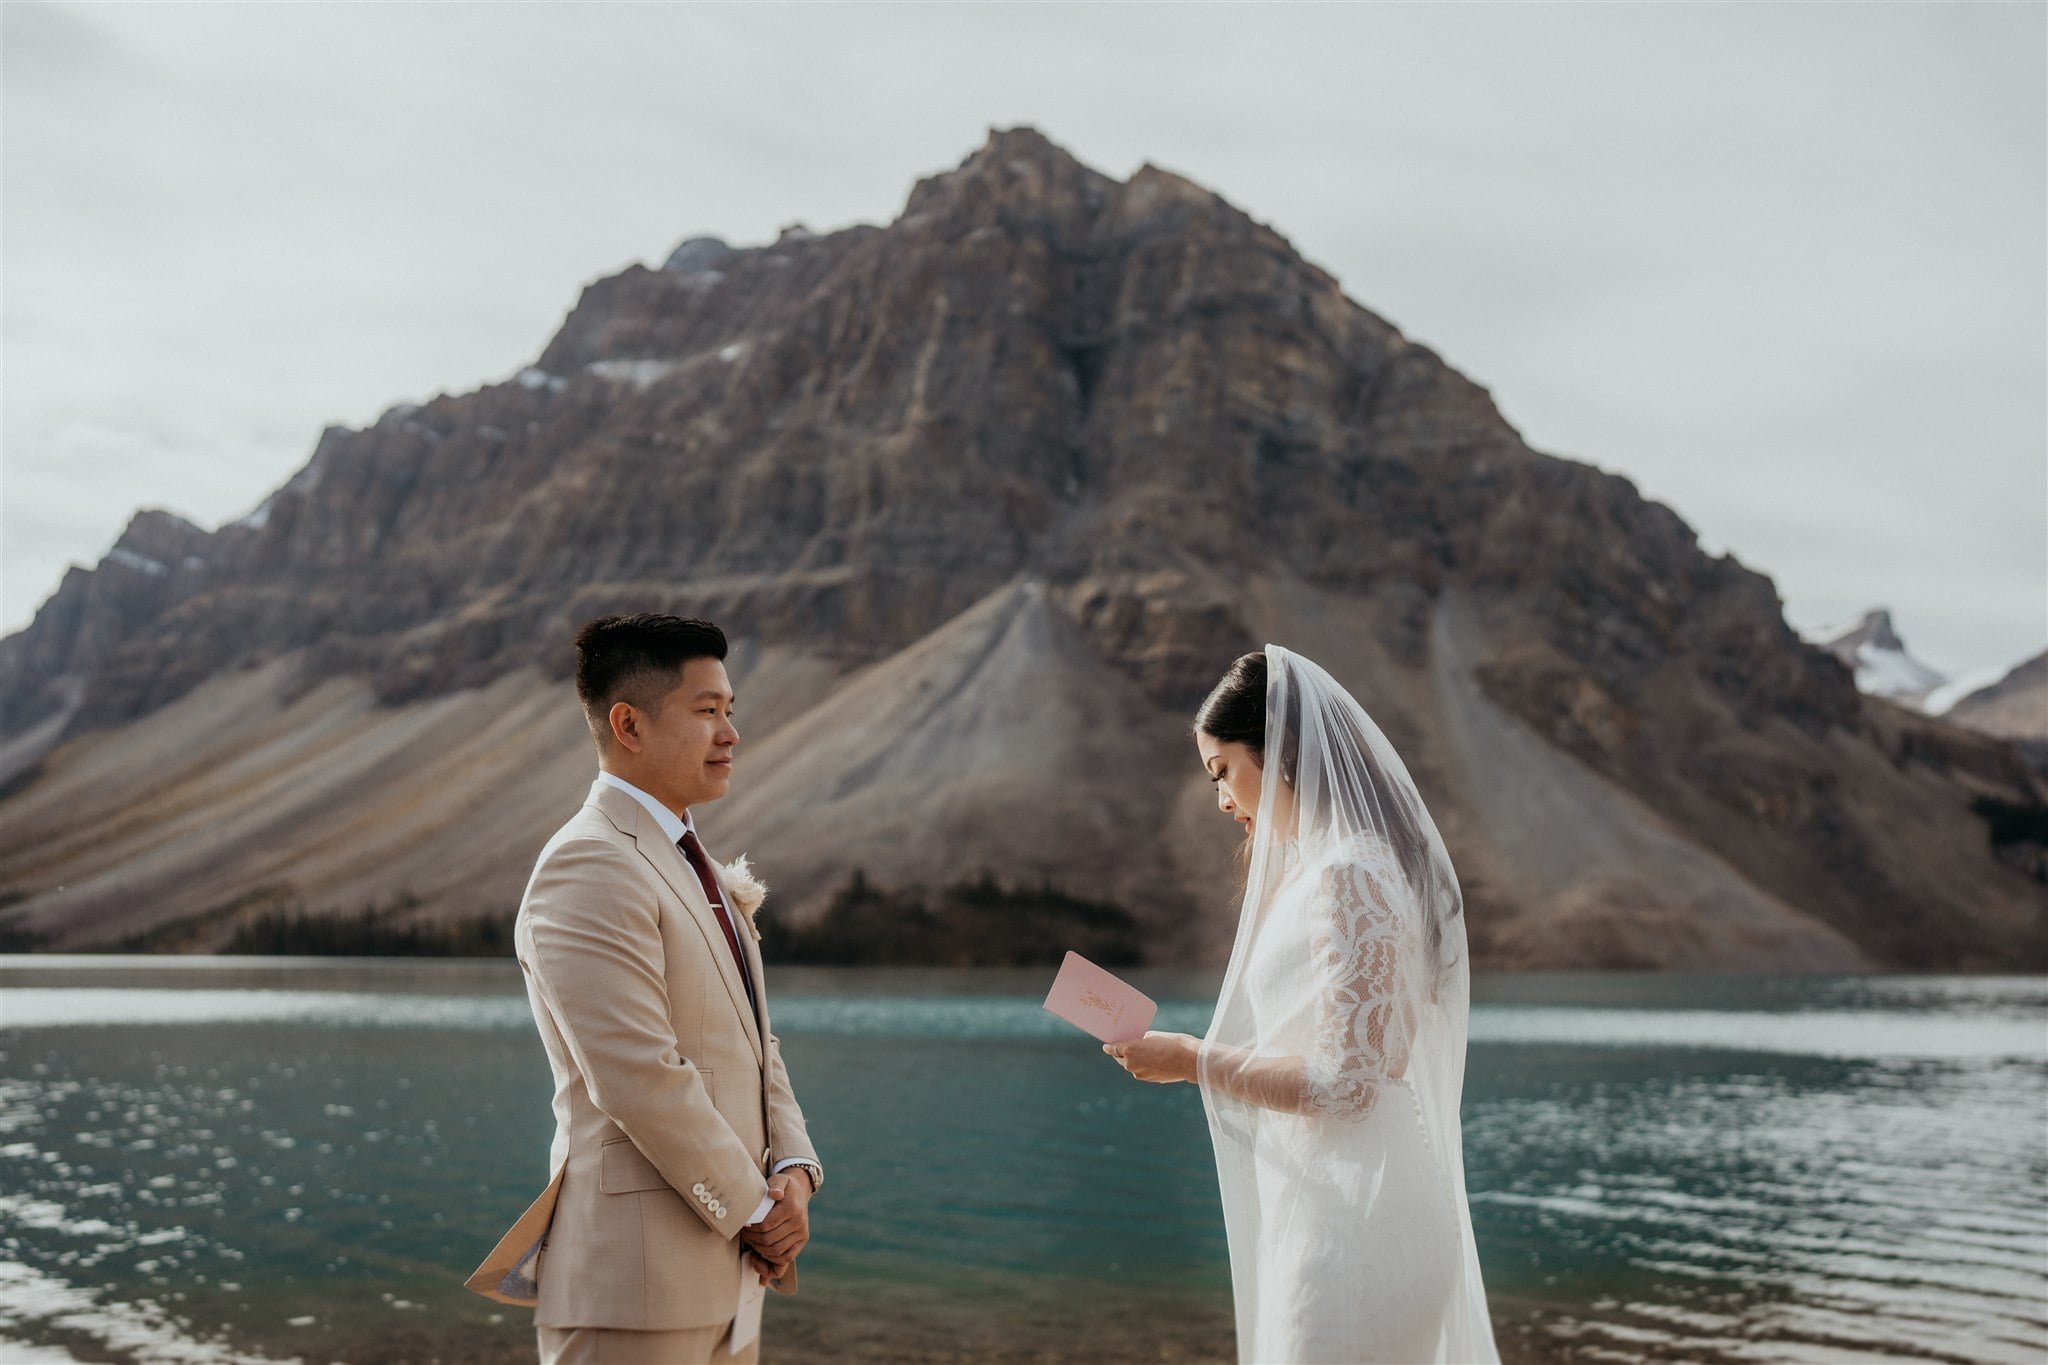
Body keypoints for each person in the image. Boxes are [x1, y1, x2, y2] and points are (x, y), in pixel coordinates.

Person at [1105, 646, 1499, 1364]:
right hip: (1337, 1204)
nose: (1221, 800)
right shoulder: (1342, 866)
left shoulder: (1350, 874)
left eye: (1223, 771)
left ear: (1281, 750)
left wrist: (1192, 1058)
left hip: (1356, 1224)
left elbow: (1350, 1082)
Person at [465, 614, 822, 1364]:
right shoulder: (589, 863)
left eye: (730, 710)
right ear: (628, 723)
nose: (730, 733)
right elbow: (637, 1075)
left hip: (728, 1282)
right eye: (706, 711)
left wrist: (793, 1170)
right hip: (633, 1292)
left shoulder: (693, 862)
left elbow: (759, 1046)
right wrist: (758, 1210)